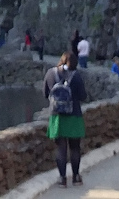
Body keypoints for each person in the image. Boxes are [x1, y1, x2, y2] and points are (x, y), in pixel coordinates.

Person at [44, 51, 87, 188]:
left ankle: (62, 179)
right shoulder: (77, 76)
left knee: (60, 148)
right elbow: (83, 96)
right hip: (74, 115)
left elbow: (46, 93)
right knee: (75, 148)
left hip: (57, 117)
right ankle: (76, 177)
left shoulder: (51, 74)